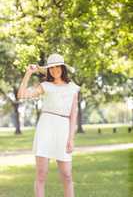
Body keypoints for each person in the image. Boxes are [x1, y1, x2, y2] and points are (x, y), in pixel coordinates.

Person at [17, 53, 80, 197]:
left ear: (63, 68)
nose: (54, 70)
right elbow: (21, 94)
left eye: (57, 67)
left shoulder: (73, 88)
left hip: (63, 130)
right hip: (45, 128)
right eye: (51, 68)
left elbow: (73, 115)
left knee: (67, 175)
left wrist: (71, 139)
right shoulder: (45, 86)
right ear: (48, 70)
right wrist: (28, 73)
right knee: (41, 174)